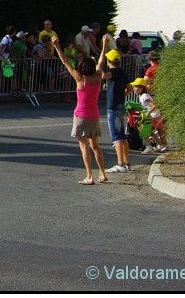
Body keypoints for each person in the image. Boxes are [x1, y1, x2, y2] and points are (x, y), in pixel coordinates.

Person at [52, 33, 109, 185]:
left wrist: (57, 46)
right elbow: (101, 61)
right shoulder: (98, 77)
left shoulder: (80, 78)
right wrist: (104, 45)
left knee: (84, 146)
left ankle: (89, 176)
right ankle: (102, 173)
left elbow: (65, 61)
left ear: (82, 67)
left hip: (81, 116)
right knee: (95, 146)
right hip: (94, 115)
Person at [101, 48, 131, 174]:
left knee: (116, 136)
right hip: (120, 104)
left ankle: (120, 164)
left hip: (113, 106)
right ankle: (126, 162)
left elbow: (103, 76)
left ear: (109, 61)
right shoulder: (122, 72)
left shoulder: (112, 71)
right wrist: (122, 94)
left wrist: (98, 65)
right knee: (122, 135)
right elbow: (129, 87)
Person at [131, 79, 168, 154]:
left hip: (153, 116)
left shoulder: (145, 96)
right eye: (134, 87)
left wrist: (148, 113)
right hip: (154, 115)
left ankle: (150, 147)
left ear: (141, 88)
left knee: (143, 130)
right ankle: (161, 145)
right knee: (150, 131)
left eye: (135, 87)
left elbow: (154, 105)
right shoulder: (142, 96)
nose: (133, 88)